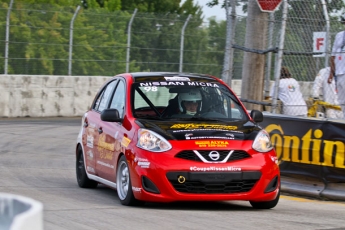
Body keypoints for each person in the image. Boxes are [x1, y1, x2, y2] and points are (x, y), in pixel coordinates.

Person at [327, 13, 345, 119]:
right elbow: (333, 55)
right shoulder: (339, 35)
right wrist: (331, 74)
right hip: (339, 73)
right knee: (342, 100)